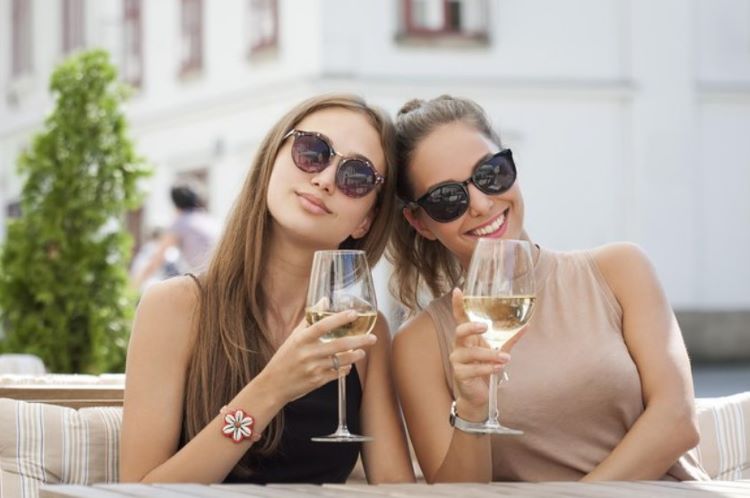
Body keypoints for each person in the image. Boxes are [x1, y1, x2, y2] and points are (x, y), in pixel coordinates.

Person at [388, 95, 707, 483]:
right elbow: (459, 493)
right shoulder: (420, 343)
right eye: (446, 198)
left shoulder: (620, 270)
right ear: (420, 223)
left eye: (491, 174)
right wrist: (472, 407)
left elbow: (677, 421)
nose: (481, 204)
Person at [120, 94, 415, 484]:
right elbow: (139, 491)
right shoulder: (175, 306)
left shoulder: (362, 330)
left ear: (365, 221)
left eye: (355, 177)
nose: (325, 179)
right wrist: (272, 389)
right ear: (271, 160)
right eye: (312, 152)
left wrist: (472, 407)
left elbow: (396, 489)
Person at [131, 182, 221, 290]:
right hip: (221, 274)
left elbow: (157, 259)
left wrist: (134, 286)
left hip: (207, 280)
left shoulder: (180, 222)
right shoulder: (207, 219)